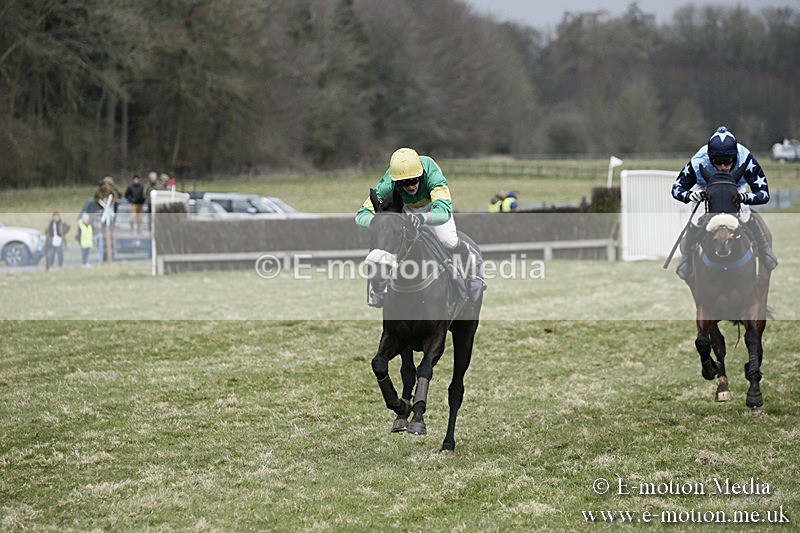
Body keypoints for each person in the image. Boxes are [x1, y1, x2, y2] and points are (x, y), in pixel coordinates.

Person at [356, 147, 483, 306]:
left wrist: (422, 218)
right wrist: (387, 224)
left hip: (434, 208)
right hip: (406, 211)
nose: (410, 186)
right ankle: (378, 289)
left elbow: (443, 212)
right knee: (389, 242)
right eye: (403, 183)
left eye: (414, 180)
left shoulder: (432, 174)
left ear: (421, 175)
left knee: (447, 240)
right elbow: (361, 215)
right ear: (396, 181)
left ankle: (472, 272)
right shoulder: (389, 182)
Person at [672, 126, 778, 280]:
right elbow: (676, 188)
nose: (723, 167)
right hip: (706, 188)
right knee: (696, 219)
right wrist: (691, 195)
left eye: (728, 161)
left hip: (735, 187)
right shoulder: (697, 162)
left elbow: (764, 194)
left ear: (735, 157)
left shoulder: (746, 158)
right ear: (710, 158)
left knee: (745, 214)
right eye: (718, 162)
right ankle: (687, 256)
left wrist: (744, 198)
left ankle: (763, 247)